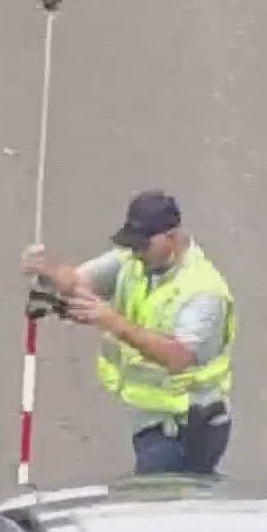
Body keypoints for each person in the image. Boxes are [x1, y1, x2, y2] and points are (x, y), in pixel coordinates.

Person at [21, 190, 236, 476]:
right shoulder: (132, 262)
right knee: (172, 508)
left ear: (171, 237)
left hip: (188, 426)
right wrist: (46, 271)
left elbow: (178, 357)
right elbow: (78, 282)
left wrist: (113, 321)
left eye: (144, 244)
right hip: (153, 420)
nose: (136, 251)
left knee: (155, 509)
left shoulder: (202, 291)